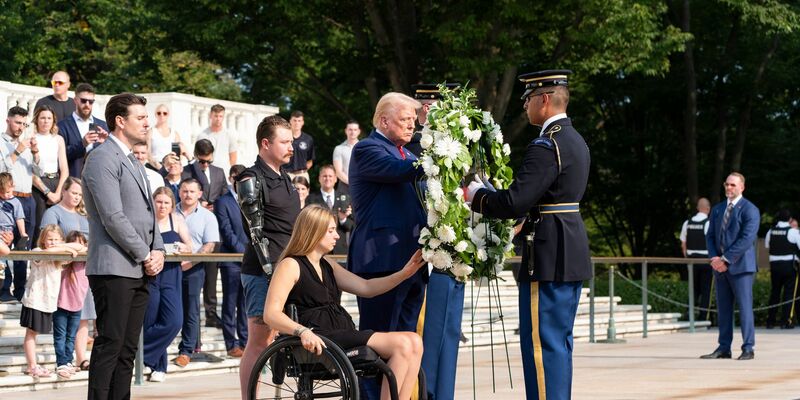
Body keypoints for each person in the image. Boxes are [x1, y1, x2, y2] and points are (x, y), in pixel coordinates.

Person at [466, 70, 592, 400]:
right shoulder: (576, 140)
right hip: (569, 248)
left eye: (528, 99)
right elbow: (548, 198)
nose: (524, 105)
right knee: (558, 343)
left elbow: (514, 201)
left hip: (548, 255)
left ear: (545, 100)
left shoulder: (547, 145)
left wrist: (477, 196)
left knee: (541, 344)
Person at [264, 205, 425, 400]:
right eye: (331, 231)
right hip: (318, 336)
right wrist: (302, 331)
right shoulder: (290, 265)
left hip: (340, 332)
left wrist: (404, 274)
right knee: (402, 344)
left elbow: (367, 287)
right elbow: (271, 314)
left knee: (415, 342)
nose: (337, 236)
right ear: (314, 231)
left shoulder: (327, 264)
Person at [82, 92, 166, 399]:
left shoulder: (134, 160)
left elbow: (149, 215)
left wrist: (159, 251)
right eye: (140, 118)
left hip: (139, 267)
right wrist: (146, 254)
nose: (147, 123)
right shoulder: (102, 157)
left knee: (128, 351)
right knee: (110, 345)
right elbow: (113, 217)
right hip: (114, 267)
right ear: (120, 121)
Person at [347, 92, 426, 400]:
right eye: (405, 120)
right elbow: (399, 172)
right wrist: (439, 157)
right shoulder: (367, 149)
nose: (412, 127)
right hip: (381, 261)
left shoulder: (404, 152)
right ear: (384, 120)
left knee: (407, 342)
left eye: (413, 121)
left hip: (411, 262)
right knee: (378, 344)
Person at [235, 115, 300, 399]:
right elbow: (255, 231)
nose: (291, 147)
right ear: (265, 143)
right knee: (259, 341)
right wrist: (272, 270)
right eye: (284, 142)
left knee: (277, 338)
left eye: (292, 142)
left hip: (288, 267)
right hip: (264, 270)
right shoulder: (251, 177)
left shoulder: (285, 177)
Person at [409, 82, 466, 400]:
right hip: (427, 246)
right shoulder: (415, 146)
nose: (422, 113)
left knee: (444, 334)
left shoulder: (449, 146)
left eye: (425, 107)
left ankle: (439, 393)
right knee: (431, 335)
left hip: (445, 249)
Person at [701, 172, 759, 361]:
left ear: (742, 187)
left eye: (733, 185)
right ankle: (724, 348)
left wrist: (725, 259)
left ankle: (748, 348)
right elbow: (710, 236)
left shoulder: (750, 210)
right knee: (723, 309)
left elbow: (746, 239)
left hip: (741, 268)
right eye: (727, 184)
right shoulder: (717, 210)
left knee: (744, 308)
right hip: (719, 268)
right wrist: (714, 259)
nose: (729, 188)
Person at [40, 177, 94, 371]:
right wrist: (72, 247)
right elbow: (47, 239)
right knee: (64, 323)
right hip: (62, 274)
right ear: (64, 191)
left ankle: (81, 358)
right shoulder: (53, 212)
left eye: (80, 194)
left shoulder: (84, 216)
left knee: (84, 315)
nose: (77, 197)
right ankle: (64, 359)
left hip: (83, 274)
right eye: (73, 192)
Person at [21, 224, 84, 378]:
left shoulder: (59, 256)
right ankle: (32, 366)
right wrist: (66, 249)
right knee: (31, 332)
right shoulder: (38, 252)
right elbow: (48, 252)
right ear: (43, 240)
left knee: (35, 332)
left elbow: (79, 247)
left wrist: (64, 247)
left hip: (47, 303)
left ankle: (35, 365)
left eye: (57, 239)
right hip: (35, 300)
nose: (53, 242)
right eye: (50, 239)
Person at [144, 187, 193, 382]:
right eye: (159, 201)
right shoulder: (146, 222)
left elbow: (190, 247)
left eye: (166, 202)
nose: (162, 206)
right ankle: (159, 367)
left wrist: (183, 247)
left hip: (172, 275)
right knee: (150, 320)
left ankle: (139, 354)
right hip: (150, 274)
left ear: (172, 205)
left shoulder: (177, 221)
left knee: (174, 321)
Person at [173, 179, 220, 367]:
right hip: (168, 267)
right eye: (184, 191)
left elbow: (209, 245)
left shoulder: (207, 217)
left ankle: (186, 350)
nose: (188, 194)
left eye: (192, 191)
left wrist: (190, 262)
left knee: (190, 309)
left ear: (199, 194)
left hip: (194, 268)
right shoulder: (170, 210)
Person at [0, 106, 40, 302]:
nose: (20, 127)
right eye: (17, 123)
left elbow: (37, 173)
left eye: (24, 124)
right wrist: (18, 151)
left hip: (28, 197)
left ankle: (21, 290)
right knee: (6, 242)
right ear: (8, 120)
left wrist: (35, 152)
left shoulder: (25, 144)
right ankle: (5, 289)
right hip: (7, 198)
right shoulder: (1, 142)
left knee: (24, 246)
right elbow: (1, 169)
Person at [214, 165, 249, 357]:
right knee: (229, 302)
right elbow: (226, 231)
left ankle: (245, 341)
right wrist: (243, 253)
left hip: (250, 261)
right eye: (235, 178)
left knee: (245, 304)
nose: (238, 181)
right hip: (231, 261)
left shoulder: (251, 200)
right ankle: (231, 343)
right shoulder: (222, 201)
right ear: (230, 178)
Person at [53, 231, 89, 379]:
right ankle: (61, 362)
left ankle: (68, 361)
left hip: (77, 306)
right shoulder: (64, 262)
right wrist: (69, 250)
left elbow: (87, 248)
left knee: (71, 336)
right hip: (61, 305)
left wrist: (77, 248)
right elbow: (58, 250)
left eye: (81, 243)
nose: (78, 247)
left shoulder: (87, 261)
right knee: (60, 336)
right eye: (75, 243)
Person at [30, 105, 69, 242]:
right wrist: (47, 193)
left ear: (53, 120)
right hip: (38, 184)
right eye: (42, 118)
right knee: (39, 225)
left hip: (57, 183)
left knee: (57, 225)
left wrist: (58, 192)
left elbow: (64, 169)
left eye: (49, 118)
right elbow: (31, 171)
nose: (46, 121)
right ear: (37, 120)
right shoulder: (31, 139)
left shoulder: (58, 139)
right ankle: (37, 259)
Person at [57, 83, 110, 177]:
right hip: (72, 181)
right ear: (75, 100)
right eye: (83, 101)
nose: (87, 104)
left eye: (91, 101)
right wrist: (82, 144)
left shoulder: (103, 125)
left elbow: (110, 157)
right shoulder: (62, 126)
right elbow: (59, 156)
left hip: (97, 180)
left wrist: (107, 143)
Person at [306, 165, 353, 254]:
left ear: (335, 179)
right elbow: (309, 224)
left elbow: (352, 226)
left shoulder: (345, 198)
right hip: (318, 249)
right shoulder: (310, 199)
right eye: (324, 176)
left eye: (330, 176)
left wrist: (343, 219)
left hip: (340, 250)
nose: (327, 178)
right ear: (319, 178)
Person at [679, 197, 713, 321]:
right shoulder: (708, 223)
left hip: (691, 260)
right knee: (706, 289)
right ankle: (703, 317)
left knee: (693, 289)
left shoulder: (687, 223)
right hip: (705, 260)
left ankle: (689, 314)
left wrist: (687, 257)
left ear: (698, 208)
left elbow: (683, 244)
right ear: (708, 209)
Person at [764, 209, 798, 329]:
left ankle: (770, 321)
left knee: (775, 292)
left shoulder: (770, 231)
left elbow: (767, 246)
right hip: (789, 266)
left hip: (774, 266)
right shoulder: (793, 232)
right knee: (789, 293)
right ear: (789, 219)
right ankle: (785, 321)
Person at [406, 83, 460, 158]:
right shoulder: (413, 146)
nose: (451, 112)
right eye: (446, 108)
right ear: (427, 109)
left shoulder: (454, 139)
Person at [195, 104, 238, 174]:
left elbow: (233, 158)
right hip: (206, 173)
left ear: (223, 117)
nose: (218, 119)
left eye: (220, 116)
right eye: (216, 116)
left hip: (225, 173)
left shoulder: (230, 135)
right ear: (210, 116)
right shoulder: (202, 135)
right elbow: (197, 156)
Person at [148, 104, 189, 169]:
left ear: (168, 115)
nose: (162, 115)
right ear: (155, 114)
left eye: (165, 113)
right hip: (154, 167)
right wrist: (160, 168)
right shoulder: (150, 132)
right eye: (159, 113)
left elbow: (178, 155)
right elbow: (148, 154)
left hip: (171, 167)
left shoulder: (174, 134)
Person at [283, 111, 315, 181]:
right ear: (290, 121)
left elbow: (310, 160)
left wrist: (302, 171)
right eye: (294, 120)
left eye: (299, 121)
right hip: (286, 174)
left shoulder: (308, 139)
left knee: (303, 192)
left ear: (302, 122)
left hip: (302, 174)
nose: (297, 123)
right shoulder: (284, 138)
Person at [332, 120, 360, 193]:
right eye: (350, 129)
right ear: (346, 131)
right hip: (344, 187)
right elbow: (338, 172)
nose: (352, 132)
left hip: (362, 185)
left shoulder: (365, 148)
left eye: (355, 130)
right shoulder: (339, 149)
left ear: (359, 131)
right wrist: (352, 183)